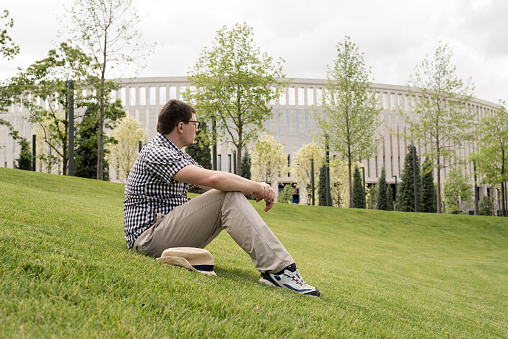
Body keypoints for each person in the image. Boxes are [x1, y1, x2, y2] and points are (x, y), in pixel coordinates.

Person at [123, 99, 320, 297]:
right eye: (195, 124)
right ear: (181, 126)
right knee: (226, 197)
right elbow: (215, 179)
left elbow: (212, 183)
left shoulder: (176, 155)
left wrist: (257, 189)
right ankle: (281, 271)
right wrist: (257, 187)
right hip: (149, 239)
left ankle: (280, 270)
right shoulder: (157, 152)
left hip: (164, 233)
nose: (197, 129)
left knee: (227, 195)